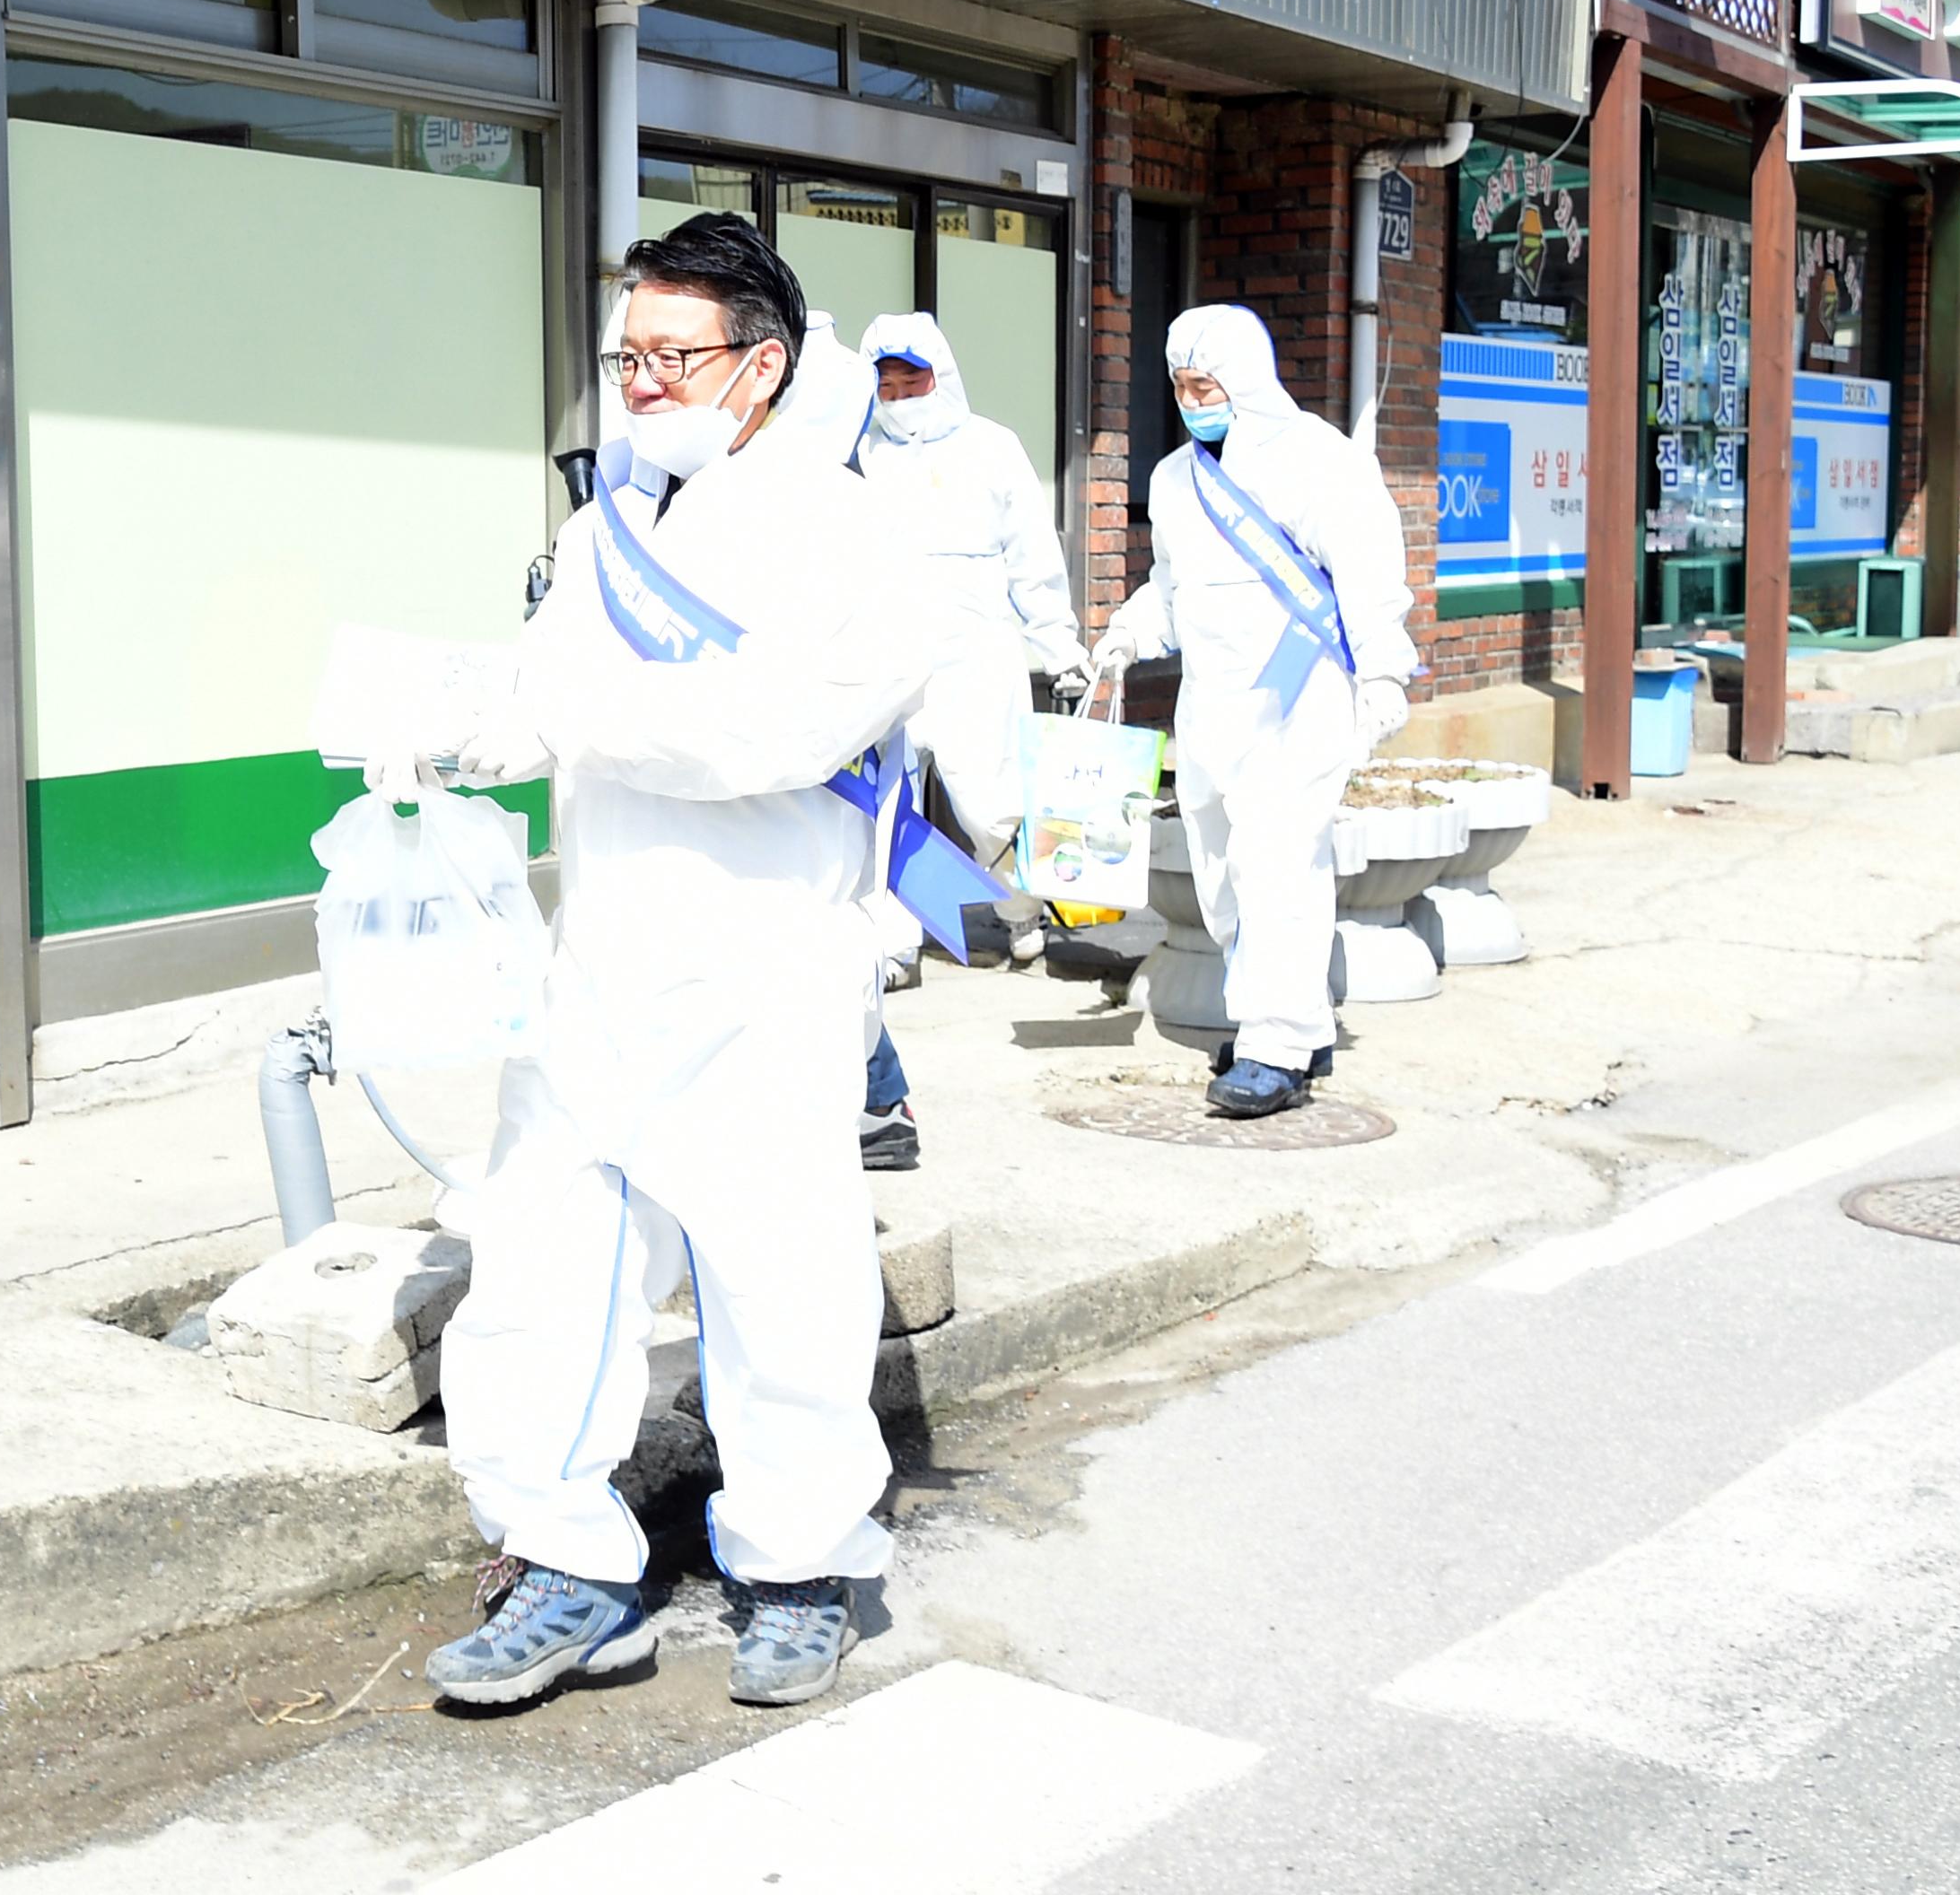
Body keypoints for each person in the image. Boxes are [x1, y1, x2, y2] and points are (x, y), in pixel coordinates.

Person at [367, 214, 933, 1713]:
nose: (638, 383)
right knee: (545, 1268)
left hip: (764, 974)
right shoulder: (605, 532)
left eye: (668, 355)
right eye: (625, 355)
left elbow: (774, 731)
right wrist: (452, 729)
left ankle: (801, 1567)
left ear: (761, 365)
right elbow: (544, 697)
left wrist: (566, 716)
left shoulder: (850, 533)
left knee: (780, 1274)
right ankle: (565, 1569)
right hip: (600, 961)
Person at [1089, 304, 1416, 1119]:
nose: (1193, 398)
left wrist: (1384, 674)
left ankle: (1275, 1046)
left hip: (1302, 699)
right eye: (1182, 385)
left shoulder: (1320, 462)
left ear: (1245, 379)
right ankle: (1287, 1019)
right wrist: (1130, 631)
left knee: (1280, 868)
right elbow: (1174, 587)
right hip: (1212, 707)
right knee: (1224, 875)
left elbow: (1369, 572)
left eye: (1206, 384)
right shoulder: (1173, 480)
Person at [854, 313, 1090, 970]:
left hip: (974, 649)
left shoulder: (991, 448)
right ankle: (892, 944)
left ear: (942, 378)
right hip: (892, 652)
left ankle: (1021, 908)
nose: (899, 399)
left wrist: (1059, 642)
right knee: (886, 803)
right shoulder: (864, 456)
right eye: (888, 387)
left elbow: (1031, 556)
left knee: (990, 798)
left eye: (912, 382)